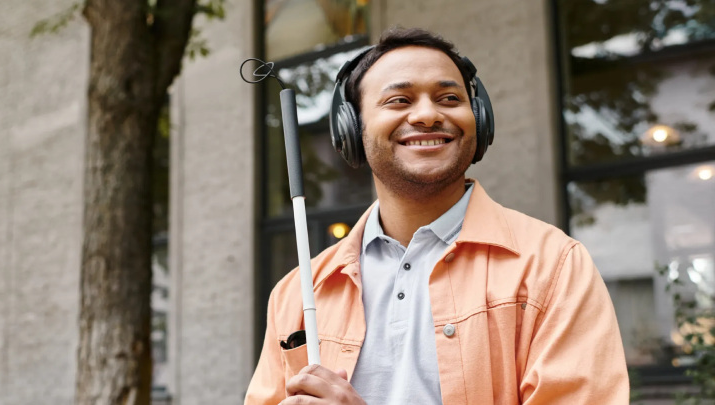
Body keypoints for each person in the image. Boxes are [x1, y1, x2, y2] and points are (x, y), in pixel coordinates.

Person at [245, 27, 628, 405]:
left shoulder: (553, 266)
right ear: (351, 129)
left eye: (448, 98)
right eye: (398, 100)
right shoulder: (298, 292)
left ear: (479, 119)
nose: (428, 115)